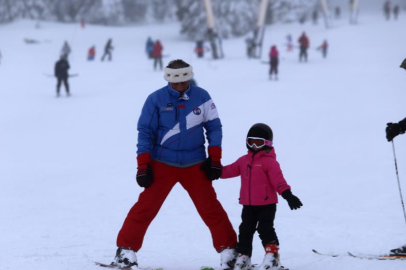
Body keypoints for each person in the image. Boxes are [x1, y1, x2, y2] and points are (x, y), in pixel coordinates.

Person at [111, 59, 238, 270]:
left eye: (184, 81)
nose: (180, 86)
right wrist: (143, 166)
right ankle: (126, 251)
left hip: (195, 163)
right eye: (176, 83)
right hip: (163, 162)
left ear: (189, 77)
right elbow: (145, 132)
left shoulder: (202, 96)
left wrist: (214, 158)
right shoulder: (155, 99)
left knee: (210, 207)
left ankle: (230, 251)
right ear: (168, 79)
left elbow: (214, 128)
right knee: (146, 207)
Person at [220, 123, 303, 270]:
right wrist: (214, 170)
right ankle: (244, 256)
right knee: (245, 230)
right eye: (251, 141)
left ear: (267, 143)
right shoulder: (243, 161)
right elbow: (228, 171)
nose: (254, 145)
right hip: (248, 204)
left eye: (258, 142)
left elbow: (278, 181)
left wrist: (288, 195)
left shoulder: (270, 162)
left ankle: (272, 256)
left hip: (267, 204)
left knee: (265, 228)